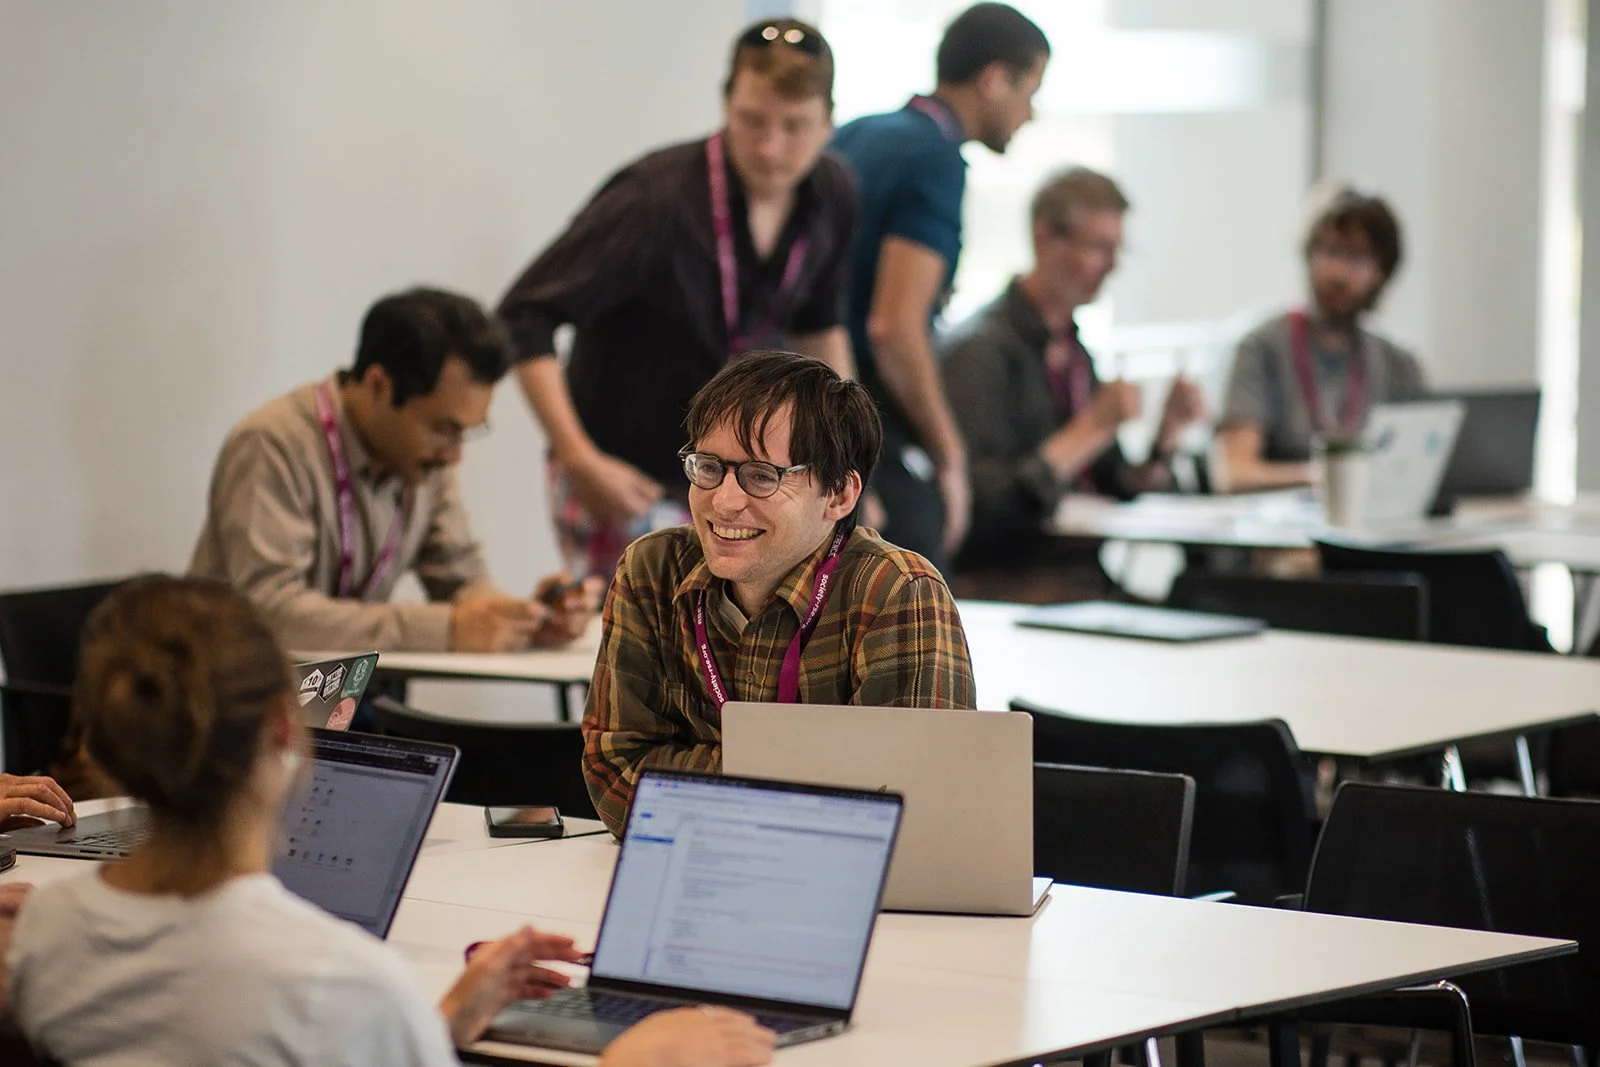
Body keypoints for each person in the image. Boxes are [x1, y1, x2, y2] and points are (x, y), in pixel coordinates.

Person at [2, 575, 775, 1066]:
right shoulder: (341, 981)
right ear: (285, 726)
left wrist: (433, 1024)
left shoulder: (39, 935)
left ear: (99, 745)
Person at [499, 18, 859, 578]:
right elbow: (525, 315)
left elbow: (821, 327)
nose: (771, 148)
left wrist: (846, 462)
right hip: (624, 473)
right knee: (638, 645)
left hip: (742, 479)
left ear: (830, 120)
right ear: (725, 103)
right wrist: (579, 459)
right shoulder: (654, 200)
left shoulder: (834, 194)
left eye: (795, 126)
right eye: (752, 121)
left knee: (744, 649)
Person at [582, 352, 976, 834]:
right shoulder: (653, 570)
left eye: (761, 477)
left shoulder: (896, 592)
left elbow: (918, 809)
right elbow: (615, 773)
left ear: (839, 496)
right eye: (708, 467)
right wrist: (809, 779)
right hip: (691, 876)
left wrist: (699, 774)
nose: (724, 502)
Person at [189, 287, 601, 653]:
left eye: (466, 434)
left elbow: (463, 582)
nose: (455, 455)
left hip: (343, 702)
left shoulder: (426, 460)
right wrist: (447, 629)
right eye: (444, 429)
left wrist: (527, 619)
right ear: (379, 385)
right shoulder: (273, 443)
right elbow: (270, 614)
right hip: (233, 711)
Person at [830, 2, 1050, 572]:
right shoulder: (935, 159)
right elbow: (894, 328)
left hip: (803, 413)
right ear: (995, 79)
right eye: (1030, 90)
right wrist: (950, 457)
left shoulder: (859, 132)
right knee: (914, 616)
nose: (1032, 114)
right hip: (859, 419)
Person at [942, 167, 1206, 603]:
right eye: (1098, 248)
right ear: (1046, 239)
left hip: (1082, 578)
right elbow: (983, 508)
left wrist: (1166, 439)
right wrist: (1090, 429)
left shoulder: (1074, 348)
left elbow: (1114, 483)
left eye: (1118, 250)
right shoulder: (981, 349)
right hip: (1016, 583)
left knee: (1204, 599)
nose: (1111, 267)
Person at [1216, 187, 1428, 492]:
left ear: (1381, 272)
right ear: (1309, 254)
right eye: (1329, 252)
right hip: (1282, 532)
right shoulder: (1262, 348)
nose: (1339, 273)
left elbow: (1421, 466)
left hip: (1374, 529)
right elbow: (1234, 473)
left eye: (1357, 258)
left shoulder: (1399, 365)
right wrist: (1326, 478)